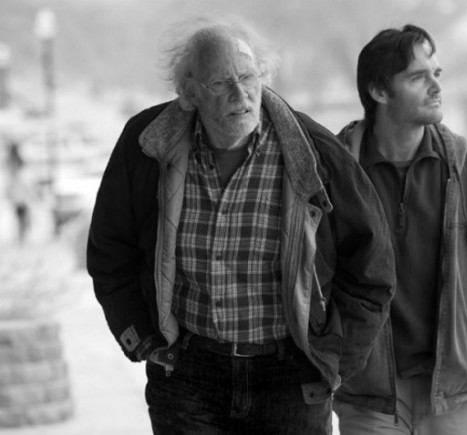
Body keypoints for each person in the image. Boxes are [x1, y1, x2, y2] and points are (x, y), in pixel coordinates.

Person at [86, 15, 395, 435]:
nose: (240, 94)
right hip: (187, 376)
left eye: (248, 77)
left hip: (289, 380)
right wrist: (140, 337)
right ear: (190, 93)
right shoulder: (148, 143)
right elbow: (110, 250)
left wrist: (335, 360)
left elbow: (372, 266)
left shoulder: (314, 151)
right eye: (220, 83)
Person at [332, 24, 467, 435]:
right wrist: (334, 350)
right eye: (417, 77)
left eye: (437, 74)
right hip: (368, 393)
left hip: (454, 392)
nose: (436, 86)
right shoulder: (334, 175)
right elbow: (308, 272)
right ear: (379, 91)